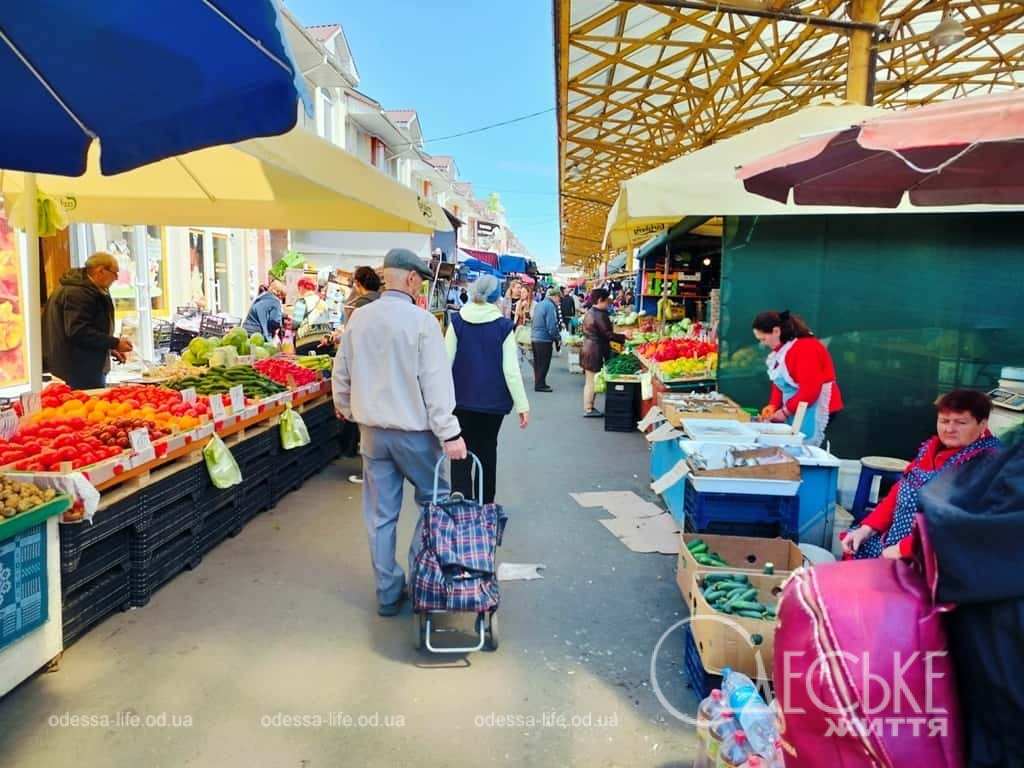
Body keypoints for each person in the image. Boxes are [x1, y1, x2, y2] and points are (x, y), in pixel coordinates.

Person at [333, 248, 467, 617]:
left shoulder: (358, 319)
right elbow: (437, 386)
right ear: (410, 279)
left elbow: (340, 373)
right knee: (435, 503)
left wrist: (347, 409)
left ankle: (388, 590)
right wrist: (451, 434)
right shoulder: (422, 322)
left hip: (372, 434)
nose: (420, 287)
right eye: (420, 281)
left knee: (380, 515)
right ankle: (421, 573)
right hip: (416, 435)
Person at [842, 390, 1001, 560]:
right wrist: (867, 529)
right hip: (894, 544)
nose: (949, 429)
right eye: (944, 421)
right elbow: (900, 491)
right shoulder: (931, 449)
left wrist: (903, 549)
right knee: (853, 546)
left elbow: (960, 527)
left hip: (934, 558)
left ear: (982, 424)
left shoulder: (988, 463)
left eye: (961, 422)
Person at [444, 275, 530, 504]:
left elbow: (445, 363)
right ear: (496, 298)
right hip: (493, 404)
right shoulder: (503, 327)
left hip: (460, 400)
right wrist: (522, 405)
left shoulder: (457, 322)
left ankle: (460, 492)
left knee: (461, 446)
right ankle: (485, 502)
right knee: (487, 449)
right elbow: (511, 371)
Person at [752, 310, 844, 447]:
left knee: (804, 448)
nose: (763, 344)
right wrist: (773, 405)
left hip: (817, 407)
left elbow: (811, 390)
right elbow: (780, 381)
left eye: (763, 339)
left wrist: (785, 411)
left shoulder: (805, 348)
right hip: (798, 406)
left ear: (776, 331)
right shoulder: (783, 349)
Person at [43, 252, 134, 389]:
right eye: (115, 273)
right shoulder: (78, 293)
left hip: (81, 366)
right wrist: (114, 343)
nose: (116, 278)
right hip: (79, 369)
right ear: (101, 270)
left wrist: (109, 347)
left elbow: (88, 327)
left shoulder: (86, 289)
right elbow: (78, 331)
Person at [339, 266, 382, 486]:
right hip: (381, 370)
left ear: (358, 283)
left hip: (363, 371)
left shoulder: (360, 308)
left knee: (365, 425)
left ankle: (369, 473)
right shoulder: (384, 304)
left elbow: (350, 345)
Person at [580, 288, 626, 417]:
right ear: (600, 300)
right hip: (594, 350)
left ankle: (589, 407)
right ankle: (588, 408)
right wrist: (623, 336)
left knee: (590, 380)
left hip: (589, 348)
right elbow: (607, 334)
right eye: (607, 302)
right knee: (590, 381)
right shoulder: (599, 314)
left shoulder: (591, 312)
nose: (608, 304)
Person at [530, 287, 562, 393]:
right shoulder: (550, 306)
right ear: (555, 296)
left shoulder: (540, 304)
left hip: (535, 337)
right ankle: (540, 385)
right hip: (544, 339)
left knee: (538, 362)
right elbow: (551, 325)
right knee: (544, 363)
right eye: (559, 298)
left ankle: (539, 383)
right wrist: (558, 338)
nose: (559, 301)